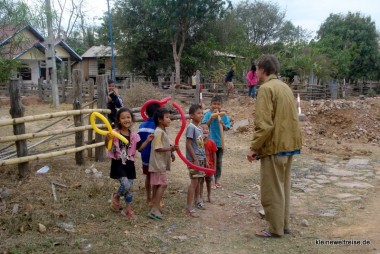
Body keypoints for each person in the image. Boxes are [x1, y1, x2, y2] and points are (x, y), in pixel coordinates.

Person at [246, 54, 302, 238]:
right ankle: (284, 225)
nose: (256, 73)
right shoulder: (285, 87)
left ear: (263, 69)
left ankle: (275, 229)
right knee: (283, 187)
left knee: (272, 191)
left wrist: (254, 147)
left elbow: (264, 124)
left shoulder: (266, 89)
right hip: (289, 145)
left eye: (257, 69)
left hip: (275, 147)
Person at [107, 108, 153, 218]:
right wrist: (107, 138)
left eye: (128, 117)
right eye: (123, 118)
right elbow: (107, 146)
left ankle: (128, 210)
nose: (126, 120)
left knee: (129, 188)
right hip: (118, 163)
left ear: (132, 119)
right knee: (126, 184)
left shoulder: (134, 136)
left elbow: (140, 149)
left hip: (129, 165)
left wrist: (147, 140)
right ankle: (117, 196)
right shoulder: (114, 133)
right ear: (118, 120)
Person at [148, 107, 178, 221]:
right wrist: (171, 148)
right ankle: (155, 208)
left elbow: (163, 146)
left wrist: (171, 153)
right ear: (160, 120)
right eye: (167, 117)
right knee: (163, 184)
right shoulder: (158, 132)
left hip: (159, 164)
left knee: (157, 185)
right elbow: (158, 148)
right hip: (158, 164)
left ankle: (155, 206)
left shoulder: (162, 131)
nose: (169, 119)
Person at [201, 95, 231, 188]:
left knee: (219, 161)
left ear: (221, 106)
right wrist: (211, 117)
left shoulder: (224, 115)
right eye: (214, 104)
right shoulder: (208, 114)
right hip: (209, 142)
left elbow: (227, 128)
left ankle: (217, 178)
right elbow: (204, 125)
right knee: (210, 160)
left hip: (219, 143)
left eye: (218, 104)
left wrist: (223, 124)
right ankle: (210, 179)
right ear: (211, 105)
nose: (216, 106)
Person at [185, 104, 206, 217]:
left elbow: (201, 145)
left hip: (201, 158)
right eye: (198, 113)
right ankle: (188, 208)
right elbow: (188, 144)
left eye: (202, 113)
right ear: (192, 115)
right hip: (194, 160)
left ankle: (197, 201)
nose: (201, 115)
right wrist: (195, 159)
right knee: (194, 182)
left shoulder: (199, 128)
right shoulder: (191, 127)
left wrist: (204, 158)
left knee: (199, 181)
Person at [138, 102, 161, 206]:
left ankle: (148, 198)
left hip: (145, 155)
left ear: (146, 113)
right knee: (156, 177)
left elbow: (139, 141)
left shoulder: (141, 125)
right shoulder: (158, 126)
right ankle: (154, 199)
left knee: (148, 176)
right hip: (155, 156)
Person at [200, 124, 217, 203]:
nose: (205, 130)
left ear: (209, 132)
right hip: (200, 165)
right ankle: (200, 196)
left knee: (208, 181)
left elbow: (214, 154)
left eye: (207, 129)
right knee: (200, 181)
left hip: (209, 165)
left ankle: (209, 196)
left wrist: (214, 166)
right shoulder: (199, 142)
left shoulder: (211, 142)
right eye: (203, 129)